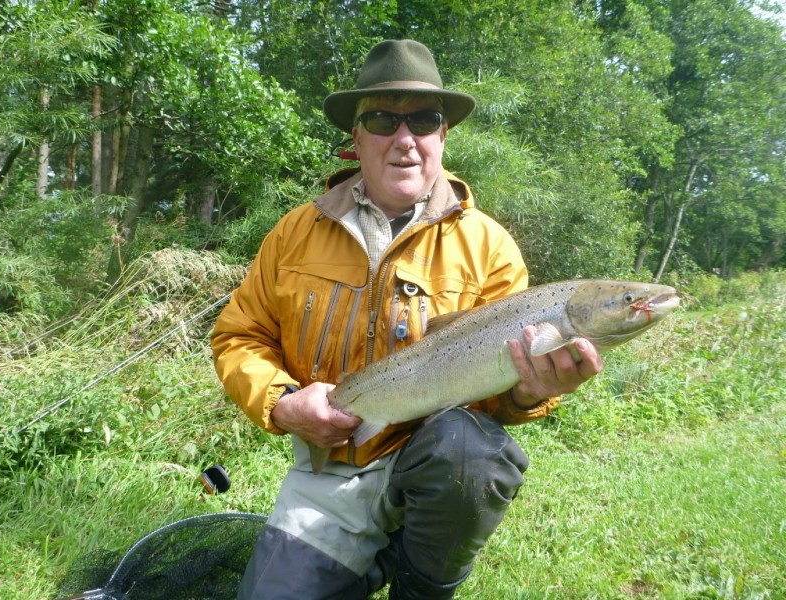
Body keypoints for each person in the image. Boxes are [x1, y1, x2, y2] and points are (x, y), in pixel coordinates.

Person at [211, 39, 602, 600]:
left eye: (423, 119)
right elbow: (238, 336)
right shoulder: (294, 232)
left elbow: (498, 405)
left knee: (468, 451)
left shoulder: (489, 246)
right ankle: (361, 556)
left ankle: (421, 582)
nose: (405, 138)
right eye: (382, 119)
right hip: (332, 475)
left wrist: (526, 394)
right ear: (356, 137)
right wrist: (282, 401)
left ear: (443, 135)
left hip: (436, 462)